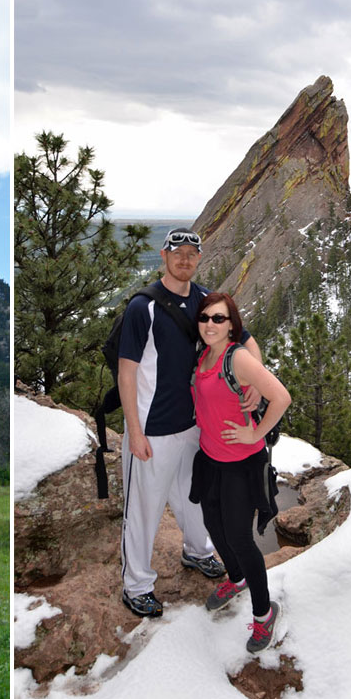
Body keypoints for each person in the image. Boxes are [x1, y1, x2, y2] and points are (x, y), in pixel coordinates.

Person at [118, 227, 262, 618]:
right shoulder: (142, 307)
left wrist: (256, 380)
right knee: (144, 509)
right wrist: (133, 431)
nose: (184, 260)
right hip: (152, 428)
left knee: (194, 498)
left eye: (191, 254)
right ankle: (137, 585)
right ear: (163, 256)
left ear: (199, 259)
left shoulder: (204, 301)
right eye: (177, 252)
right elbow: (127, 372)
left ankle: (197, 552)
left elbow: (245, 340)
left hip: (195, 426)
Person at [189, 292, 291, 653]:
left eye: (219, 319)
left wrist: (255, 432)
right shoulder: (205, 355)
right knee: (214, 526)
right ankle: (237, 578)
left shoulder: (238, 358)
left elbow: (281, 397)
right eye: (205, 319)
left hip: (241, 464)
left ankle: (264, 615)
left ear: (232, 324)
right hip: (211, 459)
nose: (210, 325)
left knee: (239, 538)